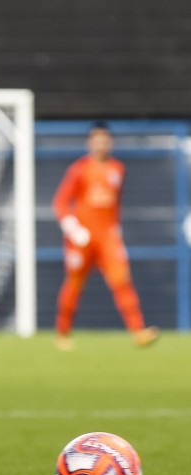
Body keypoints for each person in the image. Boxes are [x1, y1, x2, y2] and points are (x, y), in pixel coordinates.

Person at [53, 122, 160, 350]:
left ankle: (138, 331)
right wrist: (74, 228)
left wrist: (116, 230)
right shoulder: (79, 170)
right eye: (96, 139)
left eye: (105, 139)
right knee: (73, 284)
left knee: (122, 281)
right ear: (89, 142)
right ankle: (62, 333)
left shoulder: (118, 169)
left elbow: (114, 205)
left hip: (108, 238)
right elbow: (60, 203)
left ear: (110, 142)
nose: (101, 144)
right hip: (81, 239)